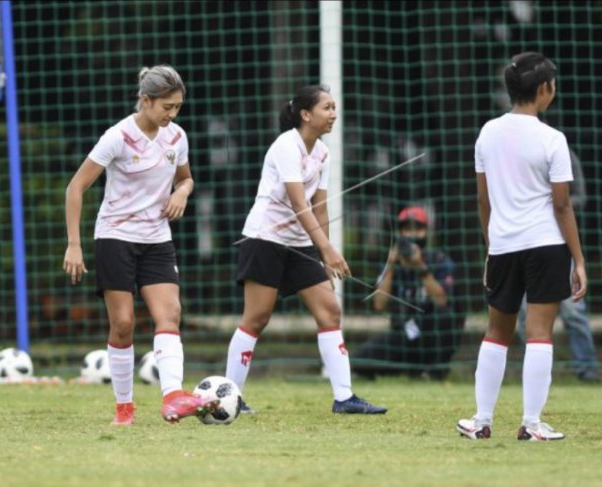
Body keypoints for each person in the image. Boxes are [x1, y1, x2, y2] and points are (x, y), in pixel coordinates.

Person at [63, 65, 216, 426]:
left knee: (170, 315)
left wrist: (182, 191)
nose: (172, 114)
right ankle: (124, 409)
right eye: (167, 106)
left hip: (157, 239)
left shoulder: (177, 137)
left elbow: (187, 178)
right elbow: (75, 188)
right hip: (115, 237)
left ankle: (174, 397)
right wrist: (74, 244)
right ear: (145, 101)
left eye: (177, 107)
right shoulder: (117, 136)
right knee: (124, 324)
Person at [224, 84, 387, 415]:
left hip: (300, 243)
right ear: (305, 114)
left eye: (334, 107)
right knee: (256, 318)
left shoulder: (323, 153)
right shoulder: (286, 146)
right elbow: (300, 205)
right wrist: (327, 250)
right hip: (265, 239)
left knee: (330, 311)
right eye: (327, 108)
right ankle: (231, 397)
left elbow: (320, 209)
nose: (333, 114)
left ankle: (344, 398)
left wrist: (325, 254)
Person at [456, 52, 587, 441]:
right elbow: (562, 204)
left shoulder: (487, 133)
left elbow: (484, 201)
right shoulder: (553, 139)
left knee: (496, 332)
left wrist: (491, 246)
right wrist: (578, 259)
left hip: (504, 245)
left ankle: (481, 420)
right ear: (544, 90)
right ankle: (531, 424)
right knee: (540, 333)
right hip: (546, 244)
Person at [353, 206, 465, 380]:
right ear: (400, 233)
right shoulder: (394, 266)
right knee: (359, 360)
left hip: (433, 333)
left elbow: (442, 301)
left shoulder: (439, 260)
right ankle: (411, 370)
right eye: (407, 229)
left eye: (418, 229)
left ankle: (435, 371)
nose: (412, 235)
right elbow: (379, 304)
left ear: (426, 232)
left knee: (445, 317)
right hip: (404, 333)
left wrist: (420, 266)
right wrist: (390, 266)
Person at [516, 149, 599, 383]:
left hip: (560, 245)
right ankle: (535, 372)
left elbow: (578, 198)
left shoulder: (561, 151)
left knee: (574, 311)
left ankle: (587, 369)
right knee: (525, 313)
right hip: (524, 245)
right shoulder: (514, 156)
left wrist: (552, 204)